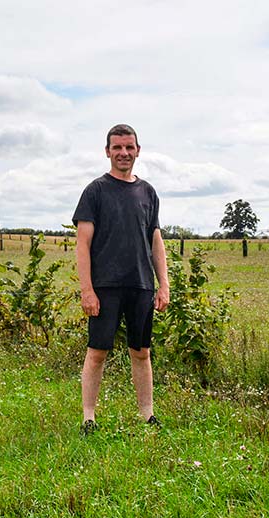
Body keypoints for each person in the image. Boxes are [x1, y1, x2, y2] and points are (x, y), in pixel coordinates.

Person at [72, 124, 170, 435]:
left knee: (141, 351)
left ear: (138, 150)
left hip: (141, 284)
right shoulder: (95, 191)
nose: (123, 153)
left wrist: (163, 284)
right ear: (107, 152)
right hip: (105, 286)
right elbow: (82, 244)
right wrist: (87, 290)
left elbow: (155, 240)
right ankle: (89, 418)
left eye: (129, 147)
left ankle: (147, 415)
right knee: (97, 351)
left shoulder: (147, 192)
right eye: (117, 148)